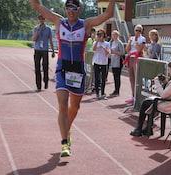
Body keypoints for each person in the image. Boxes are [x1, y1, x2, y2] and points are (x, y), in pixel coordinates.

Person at [31, 0, 115, 157]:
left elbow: (108, 14)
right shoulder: (58, 21)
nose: (70, 11)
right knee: (62, 105)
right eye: (68, 8)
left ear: (79, 10)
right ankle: (64, 143)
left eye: (73, 8)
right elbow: (36, 6)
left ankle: (67, 129)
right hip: (62, 68)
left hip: (78, 70)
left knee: (74, 107)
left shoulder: (86, 24)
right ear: (65, 9)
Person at [130, 60, 171, 137]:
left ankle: (139, 128)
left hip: (169, 105)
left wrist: (157, 82)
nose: (168, 72)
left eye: (169, 69)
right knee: (149, 102)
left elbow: (163, 95)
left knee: (146, 103)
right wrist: (165, 81)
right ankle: (148, 128)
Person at [32, 14, 55, 91]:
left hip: (45, 50)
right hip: (37, 50)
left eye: (42, 19)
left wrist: (53, 51)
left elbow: (50, 40)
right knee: (37, 68)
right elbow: (34, 39)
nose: (41, 20)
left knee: (45, 67)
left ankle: (46, 81)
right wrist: (38, 30)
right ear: (38, 20)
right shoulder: (36, 28)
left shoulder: (48, 29)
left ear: (44, 19)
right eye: (40, 19)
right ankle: (38, 85)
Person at [125, 24, 146, 104]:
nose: (137, 32)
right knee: (131, 78)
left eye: (139, 30)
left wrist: (136, 41)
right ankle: (133, 96)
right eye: (136, 30)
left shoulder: (142, 38)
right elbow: (127, 49)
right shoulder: (131, 38)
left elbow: (140, 49)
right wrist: (130, 41)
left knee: (137, 77)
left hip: (137, 58)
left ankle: (138, 96)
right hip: (131, 58)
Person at [93, 28, 110, 100]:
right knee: (96, 78)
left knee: (103, 79)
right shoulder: (95, 42)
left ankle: (102, 93)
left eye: (101, 34)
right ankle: (97, 93)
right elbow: (93, 49)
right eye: (98, 34)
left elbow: (108, 53)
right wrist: (97, 42)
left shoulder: (107, 43)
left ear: (104, 35)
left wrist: (103, 48)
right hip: (96, 62)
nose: (100, 36)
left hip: (104, 63)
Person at [109, 30, 125, 97]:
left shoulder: (119, 43)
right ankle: (115, 90)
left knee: (117, 76)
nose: (113, 36)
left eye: (115, 34)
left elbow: (122, 53)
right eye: (113, 34)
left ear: (117, 35)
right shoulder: (112, 42)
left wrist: (114, 52)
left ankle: (117, 91)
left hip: (118, 61)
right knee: (114, 76)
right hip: (113, 61)